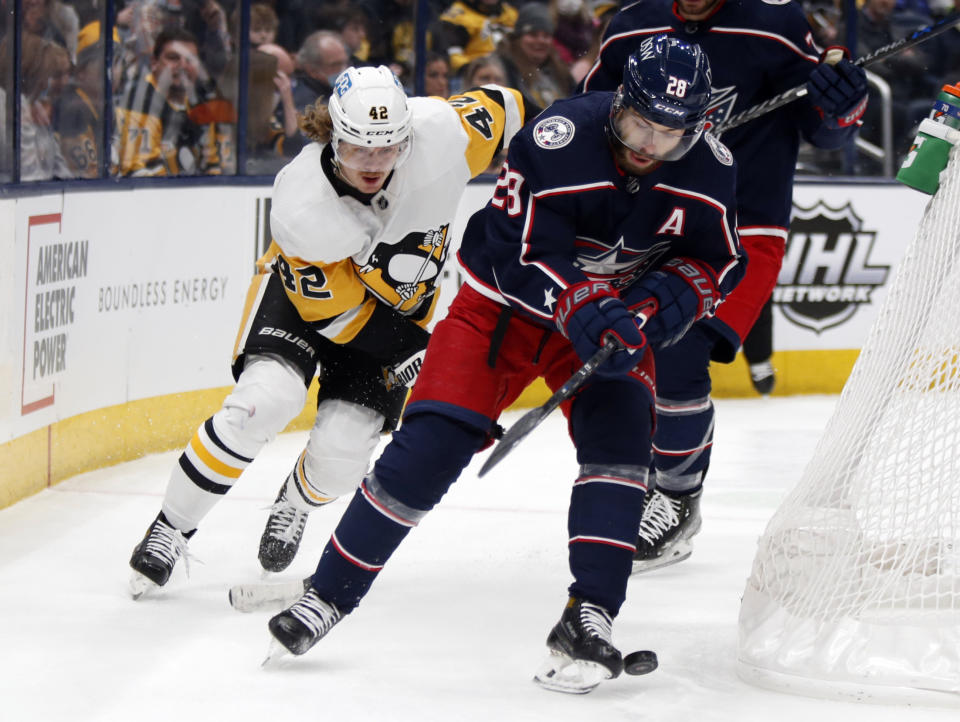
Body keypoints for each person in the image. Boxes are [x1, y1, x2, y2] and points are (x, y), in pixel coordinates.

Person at [265, 36, 744, 694]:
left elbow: (713, 261)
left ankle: (591, 617)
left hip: (604, 323)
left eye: (668, 134)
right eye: (638, 124)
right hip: (499, 312)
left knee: (623, 451)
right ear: (618, 106)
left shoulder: (710, 164)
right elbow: (523, 253)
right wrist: (583, 302)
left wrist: (665, 304)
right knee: (429, 447)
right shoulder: (556, 140)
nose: (648, 147)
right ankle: (327, 595)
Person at [127, 65, 535, 597]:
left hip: (399, 315)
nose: (373, 164)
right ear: (332, 134)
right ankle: (171, 527)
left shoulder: (444, 132)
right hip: (307, 305)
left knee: (341, 461)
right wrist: (426, 361)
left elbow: (515, 110)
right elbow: (339, 316)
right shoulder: (303, 204)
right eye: (359, 149)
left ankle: (292, 503)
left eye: (387, 148)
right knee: (263, 403)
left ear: (407, 136)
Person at [581, 0, 868, 571]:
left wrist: (843, 103)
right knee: (632, 350)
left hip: (744, 227)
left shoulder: (778, 24)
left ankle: (677, 496)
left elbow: (825, 132)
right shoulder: (632, 24)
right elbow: (592, 115)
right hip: (653, 219)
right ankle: (649, 476)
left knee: (681, 347)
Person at [113, 26, 234, 176]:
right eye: (173, 58)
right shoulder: (140, 103)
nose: (183, 66)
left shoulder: (201, 104)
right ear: (154, 63)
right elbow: (142, 177)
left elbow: (211, 164)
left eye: (190, 59)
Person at [496, 2, 574, 107]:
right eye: (533, 35)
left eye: (546, 36)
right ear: (518, 38)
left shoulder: (561, 72)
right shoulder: (504, 69)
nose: (540, 41)